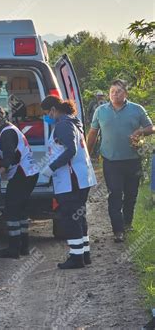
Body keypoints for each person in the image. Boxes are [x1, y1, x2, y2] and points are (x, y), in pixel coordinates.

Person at [87, 79, 154, 242]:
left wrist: (140, 132)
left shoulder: (137, 109)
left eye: (118, 91)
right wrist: (86, 155)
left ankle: (127, 223)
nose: (115, 94)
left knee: (131, 195)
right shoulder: (101, 111)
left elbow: (151, 127)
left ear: (126, 93)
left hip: (133, 160)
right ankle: (118, 230)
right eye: (112, 92)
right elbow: (93, 134)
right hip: (111, 161)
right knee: (115, 194)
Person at [40, 95, 97, 269]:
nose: (46, 117)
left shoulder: (63, 125)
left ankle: (76, 257)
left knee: (71, 218)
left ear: (53, 110)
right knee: (79, 216)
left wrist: (52, 168)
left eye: (46, 113)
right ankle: (84, 254)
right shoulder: (72, 122)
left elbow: (70, 150)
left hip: (71, 180)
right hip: (81, 178)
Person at [0, 105, 39, 259]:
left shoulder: (7, 133)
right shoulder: (6, 130)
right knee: (20, 210)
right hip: (28, 174)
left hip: (23, 174)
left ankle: (14, 249)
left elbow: (9, 158)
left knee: (12, 209)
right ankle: (23, 247)